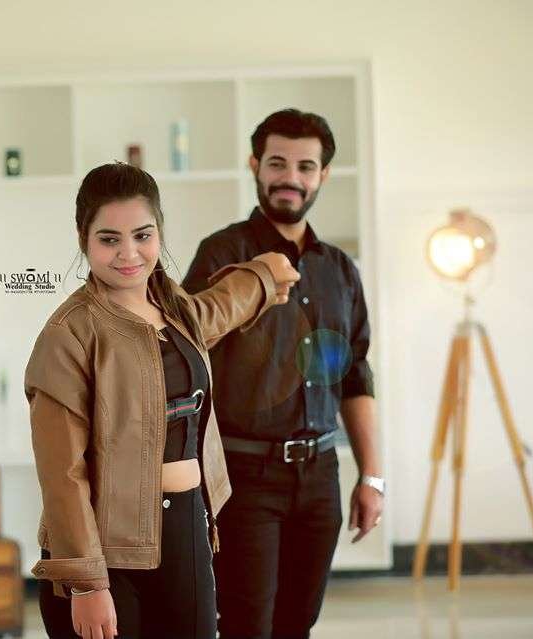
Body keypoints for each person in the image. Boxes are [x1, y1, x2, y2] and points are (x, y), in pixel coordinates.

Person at [24, 162, 300, 639]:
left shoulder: (172, 306)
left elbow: (216, 310)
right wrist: (87, 582)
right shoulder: (68, 334)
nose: (129, 253)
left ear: (159, 232)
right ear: (83, 239)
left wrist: (264, 276)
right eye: (109, 239)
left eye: (142, 235)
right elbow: (61, 472)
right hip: (106, 548)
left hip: (186, 529)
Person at [182, 108, 385, 639]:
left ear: (323, 175)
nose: (290, 178)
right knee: (248, 626)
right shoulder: (222, 253)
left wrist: (372, 476)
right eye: (277, 163)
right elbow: (186, 350)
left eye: (305, 167)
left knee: (298, 624)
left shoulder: (340, 269)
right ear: (255, 165)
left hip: (321, 475)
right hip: (244, 478)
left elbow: (355, 376)